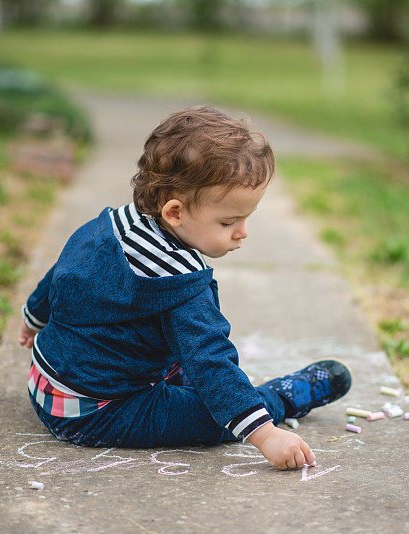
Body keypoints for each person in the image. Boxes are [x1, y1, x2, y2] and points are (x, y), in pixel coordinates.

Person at [18, 105, 351, 471]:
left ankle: (222, 396)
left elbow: (61, 274)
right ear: (174, 213)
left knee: (197, 375)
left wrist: (34, 318)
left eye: (245, 219)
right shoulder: (180, 283)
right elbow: (210, 358)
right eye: (229, 221)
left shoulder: (109, 226)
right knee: (211, 413)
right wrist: (267, 436)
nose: (243, 233)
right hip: (99, 409)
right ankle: (276, 400)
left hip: (46, 383)